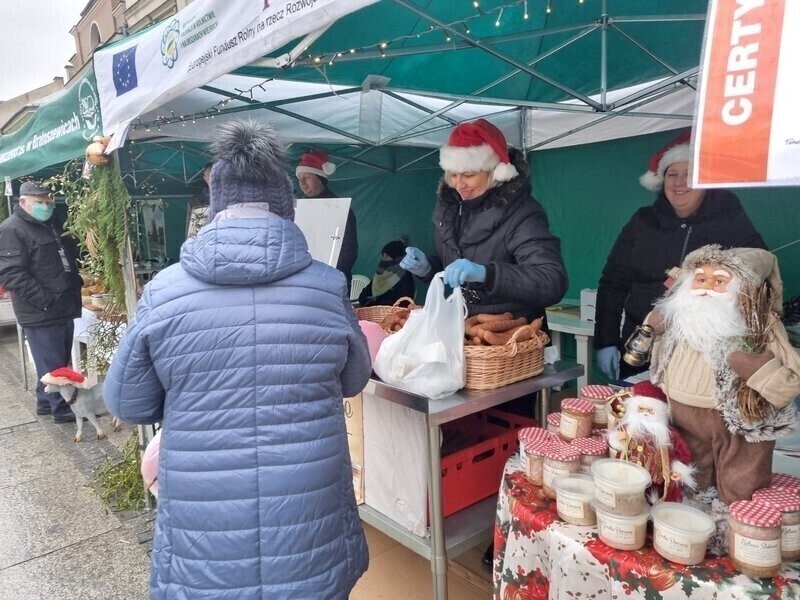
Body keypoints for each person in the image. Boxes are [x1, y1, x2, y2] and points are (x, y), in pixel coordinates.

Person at [104, 120, 372, 600]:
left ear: (216, 206)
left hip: (204, 521)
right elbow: (353, 379)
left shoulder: (164, 292)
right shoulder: (327, 287)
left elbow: (128, 402)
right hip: (308, 514)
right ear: (286, 206)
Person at [593, 130, 766, 381]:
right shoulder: (643, 221)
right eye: (671, 174)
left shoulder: (729, 217)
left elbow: (760, 267)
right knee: (643, 413)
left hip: (702, 349)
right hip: (643, 344)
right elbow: (612, 283)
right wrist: (606, 340)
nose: (679, 182)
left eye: (689, 174)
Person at [647, 245, 799, 504]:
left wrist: (754, 366)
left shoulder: (761, 328)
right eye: (701, 279)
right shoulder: (682, 318)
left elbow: (789, 384)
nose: (706, 288)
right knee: (692, 479)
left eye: (719, 281)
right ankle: (693, 521)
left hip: (736, 425)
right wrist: (655, 322)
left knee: (741, 484)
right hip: (684, 419)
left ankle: (740, 528)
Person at [400, 118, 567, 321]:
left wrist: (486, 274)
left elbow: (551, 280)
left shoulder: (522, 213)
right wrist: (428, 268)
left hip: (513, 332)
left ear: (495, 172)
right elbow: (454, 265)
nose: (459, 184)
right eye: (453, 175)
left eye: (468, 174)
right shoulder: (450, 208)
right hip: (465, 327)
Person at [0, 181, 82, 423]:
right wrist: (44, 300)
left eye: (48, 201)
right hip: (42, 309)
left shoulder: (49, 224)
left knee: (55, 358)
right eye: (40, 202)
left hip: (63, 304)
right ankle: (62, 408)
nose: (46, 206)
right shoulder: (11, 229)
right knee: (54, 361)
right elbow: (12, 274)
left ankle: (45, 401)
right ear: (23, 202)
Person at [296, 150, 358, 289]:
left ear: (320, 178)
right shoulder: (298, 208)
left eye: (306, 177)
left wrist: (331, 276)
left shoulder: (339, 208)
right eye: (299, 177)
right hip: (303, 280)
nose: (302, 182)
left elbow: (348, 249)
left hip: (333, 281)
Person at [357, 238, 416, 307]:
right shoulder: (381, 274)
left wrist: (377, 303)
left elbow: (404, 302)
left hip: (392, 314)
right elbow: (363, 295)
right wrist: (368, 301)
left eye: (387, 257)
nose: (384, 260)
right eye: (383, 256)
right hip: (372, 313)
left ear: (396, 258)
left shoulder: (404, 276)